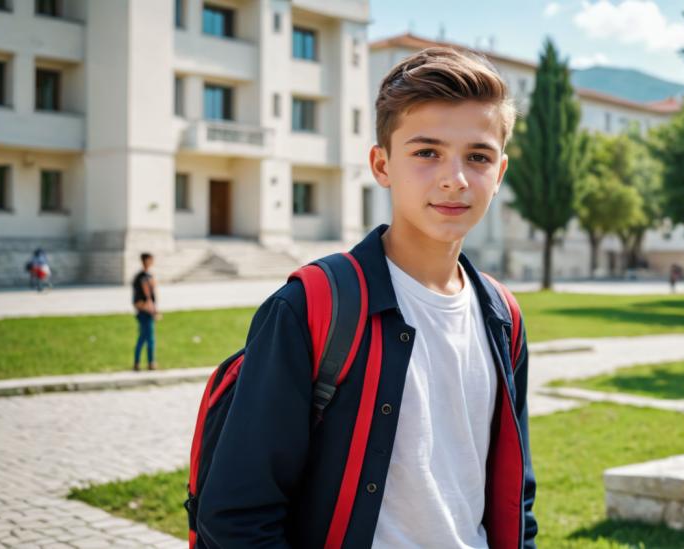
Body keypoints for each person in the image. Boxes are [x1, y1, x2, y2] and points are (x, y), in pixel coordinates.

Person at [196, 47, 537, 548]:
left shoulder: (501, 315)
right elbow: (237, 515)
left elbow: (516, 496)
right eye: (427, 152)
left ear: (500, 172)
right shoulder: (311, 306)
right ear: (381, 164)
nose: (455, 178)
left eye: (478, 157)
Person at [132, 252, 159, 371]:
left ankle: (138, 363)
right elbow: (147, 296)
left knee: (143, 338)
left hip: (142, 310)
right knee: (149, 339)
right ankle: (150, 362)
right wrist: (153, 311)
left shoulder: (142, 276)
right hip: (145, 311)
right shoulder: (144, 277)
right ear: (147, 260)